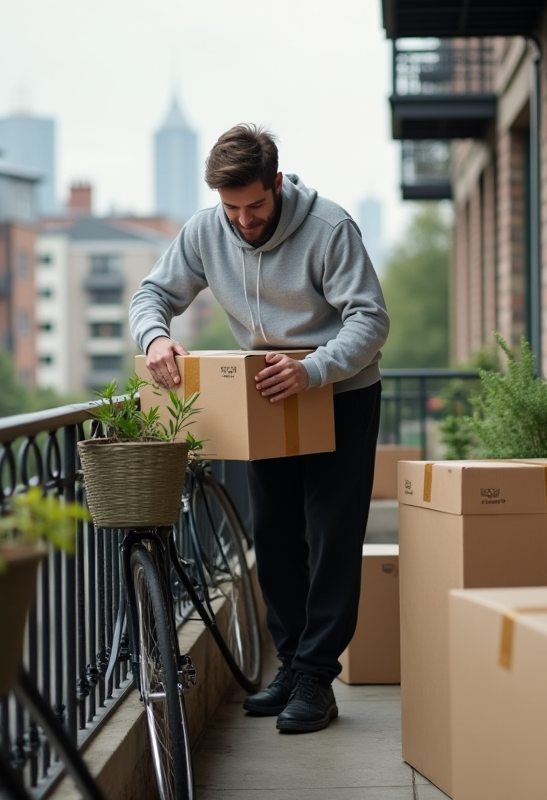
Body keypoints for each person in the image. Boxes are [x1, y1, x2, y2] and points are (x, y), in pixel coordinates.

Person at [129, 124, 389, 733]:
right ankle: (293, 662)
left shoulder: (330, 228)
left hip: (339, 393)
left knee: (329, 536)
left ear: (277, 183)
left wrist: (315, 369)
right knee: (272, 535)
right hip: (264, 396)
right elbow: (151, 293)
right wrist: (156, 335)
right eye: (232, 209)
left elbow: (371, 319)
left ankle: (317, 678)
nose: (244, 221)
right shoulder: (204, 230)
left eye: (255, 206)